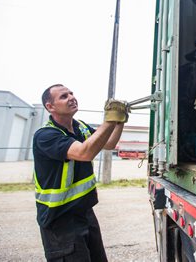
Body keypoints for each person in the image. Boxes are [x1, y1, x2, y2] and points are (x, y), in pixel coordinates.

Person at [33, 84, 128, 261]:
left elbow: (108, 144)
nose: (71, 97)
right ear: (50, 107)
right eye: (63, 96)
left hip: (84, 213)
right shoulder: (46, 135)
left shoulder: (81, 128)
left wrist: (118, 121)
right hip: (60, 220)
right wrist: (109, 120)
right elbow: (84, 153)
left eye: (71, 93)